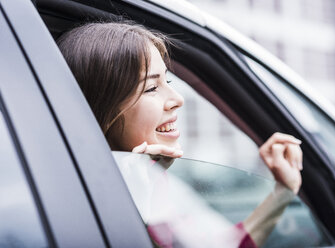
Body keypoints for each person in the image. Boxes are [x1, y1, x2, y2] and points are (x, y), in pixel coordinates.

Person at [57, 22, 303, 248]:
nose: (177, 100)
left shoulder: (156, 179)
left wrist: (283, 191)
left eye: (168, 82)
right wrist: (137, 206)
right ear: (100, 108)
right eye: (152, 87)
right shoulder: (71, 203)